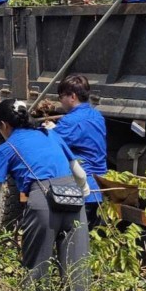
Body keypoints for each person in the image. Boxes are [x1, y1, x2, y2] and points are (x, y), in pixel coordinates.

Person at [0, 99, 90, 291]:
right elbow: (81, 175)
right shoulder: (51, 134)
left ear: (4, 125)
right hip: (74, 200)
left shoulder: (7, 149)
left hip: (43, 203)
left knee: (37, 274)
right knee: (77, 274)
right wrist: (82, 195)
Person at [44, 75, 107, 229]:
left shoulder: (71, 121)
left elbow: (51, 145)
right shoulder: (97, 115)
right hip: (100, 186)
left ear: (72, 96)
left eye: (61, 97)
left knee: (74, 238)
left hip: (82, 188)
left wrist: (51, 130)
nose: (60, 102)